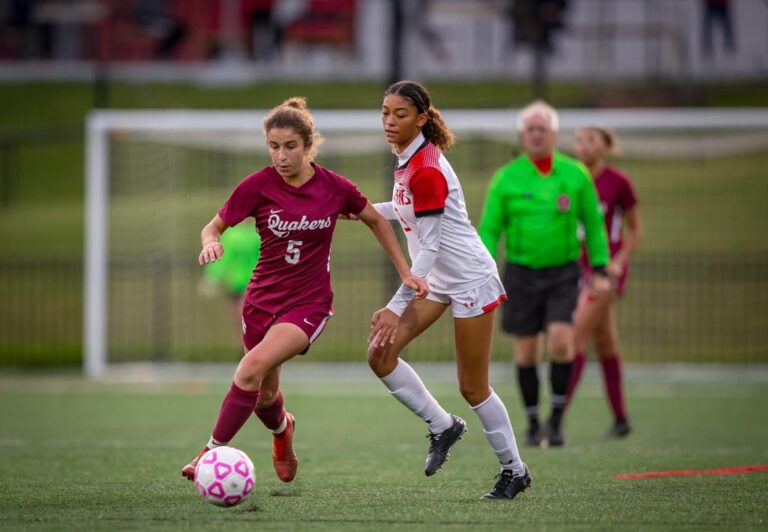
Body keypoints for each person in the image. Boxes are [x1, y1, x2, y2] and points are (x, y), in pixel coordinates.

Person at [181, 97, 427, 484]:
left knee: (248, 369)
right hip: (260, 303)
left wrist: (405, 271)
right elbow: (212, 226)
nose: (281, 156)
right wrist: (210, 241)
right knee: (263, 395)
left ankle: (207, 455)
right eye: (274, 147)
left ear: (309, 146)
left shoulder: (334, 187)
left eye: (290, 146)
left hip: (308, 305)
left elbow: (377, 220)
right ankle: (283, 432)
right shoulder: (257, 186)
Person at [364, 80, 530, 501]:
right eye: (385, 112)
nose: (389, 121)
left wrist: (393, 305)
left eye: (399, 114)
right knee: (380, 355)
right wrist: (356, 208)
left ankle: (515, 470)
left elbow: (432, 244)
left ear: (421, 118)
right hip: (434, 278)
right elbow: (405, 212)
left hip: (469, 279)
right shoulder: (407, 159)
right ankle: (443, 426)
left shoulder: (427, 169)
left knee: (473, 387)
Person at [478, 100, 611, 448]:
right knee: (525, 352)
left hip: (563, 273)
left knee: (561, 341)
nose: (537, 135)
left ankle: (556, 421)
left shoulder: (575, 175)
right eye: (531, 130)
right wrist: (483, 267)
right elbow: (490, 229)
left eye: (543, 129)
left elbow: (594, 226)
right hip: (521, 274)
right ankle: (534, 423)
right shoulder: (506, 178)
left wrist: (600, 267)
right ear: (523, 136)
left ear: (553, 134)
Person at [566, 127, 643, 438]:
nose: (583, 146)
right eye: (579, 140)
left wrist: (617, 263)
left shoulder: (618, 182)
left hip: (605, 273)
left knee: (575, 335)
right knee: (606, 342)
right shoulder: (570, 178)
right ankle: (621, 418)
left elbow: (635, 230)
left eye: (591, 140)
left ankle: (554, 418)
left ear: (606, 146)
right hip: (576, 268)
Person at [199, 220, 261, 347]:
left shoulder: (240, 235)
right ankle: (244, 352)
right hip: (241, 283)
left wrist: (211, 278)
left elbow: (222, 259)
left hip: (246, 285)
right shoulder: (248, 235)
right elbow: (223, 259)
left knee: (243, 320)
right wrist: (212, 278)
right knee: (241, 322)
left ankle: (250, 351)